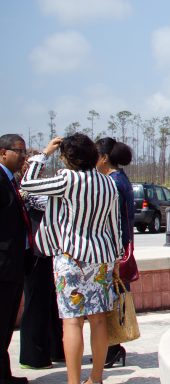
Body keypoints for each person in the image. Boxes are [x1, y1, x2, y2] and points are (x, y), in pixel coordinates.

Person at [21, 134, 121, 384]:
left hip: (71, 258)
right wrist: (116, 259)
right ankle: (96, 378)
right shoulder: (108, 183)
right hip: (101, 258)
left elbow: (28, 184)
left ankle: (74, 381)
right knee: (99, 319)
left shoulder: (67, 179)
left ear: (68, 158)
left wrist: (44, 154)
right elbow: (114, 225)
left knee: (72, 322)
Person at [17, 150, 65, 370]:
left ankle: (56, 350)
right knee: (36, 304)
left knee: (52, 304)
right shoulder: (27, 188)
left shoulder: (35, 186)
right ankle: (33, 356)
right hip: (36, 254)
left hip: (46, 252)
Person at [95, 138, 135, 368]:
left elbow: (114, 221)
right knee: (114, 298)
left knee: (110, 301)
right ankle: (113, 348)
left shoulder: (113, 183)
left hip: (115, 250)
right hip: (121, 247)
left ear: (104, 158)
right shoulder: (120, 179)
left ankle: (112, 349)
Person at [0, 134, 31, 384]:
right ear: (3, 152)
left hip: (14, 265)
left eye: (24, 151)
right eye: (18, 151)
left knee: (6, 324)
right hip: (3, 265)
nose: (23, 156)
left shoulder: (11, 180)